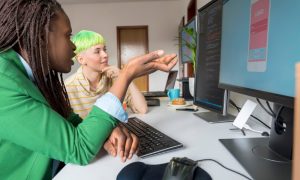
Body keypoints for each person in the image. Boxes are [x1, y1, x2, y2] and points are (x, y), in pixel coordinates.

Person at [0, 0, 177, 179]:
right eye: (68, 35)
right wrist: (127, 74)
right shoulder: (3, 81)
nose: (74, 46)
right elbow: (79, 148)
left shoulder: (33, 77)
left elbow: (71, 123)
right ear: (40, 36)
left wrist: (106, 132)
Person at [65, 30, 148, 119]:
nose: (105, 55)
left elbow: (142, 109)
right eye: (97, 51)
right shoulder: (68, 87)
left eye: (104, 49)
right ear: (81, 59)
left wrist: (125, 76)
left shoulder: (114, 78)